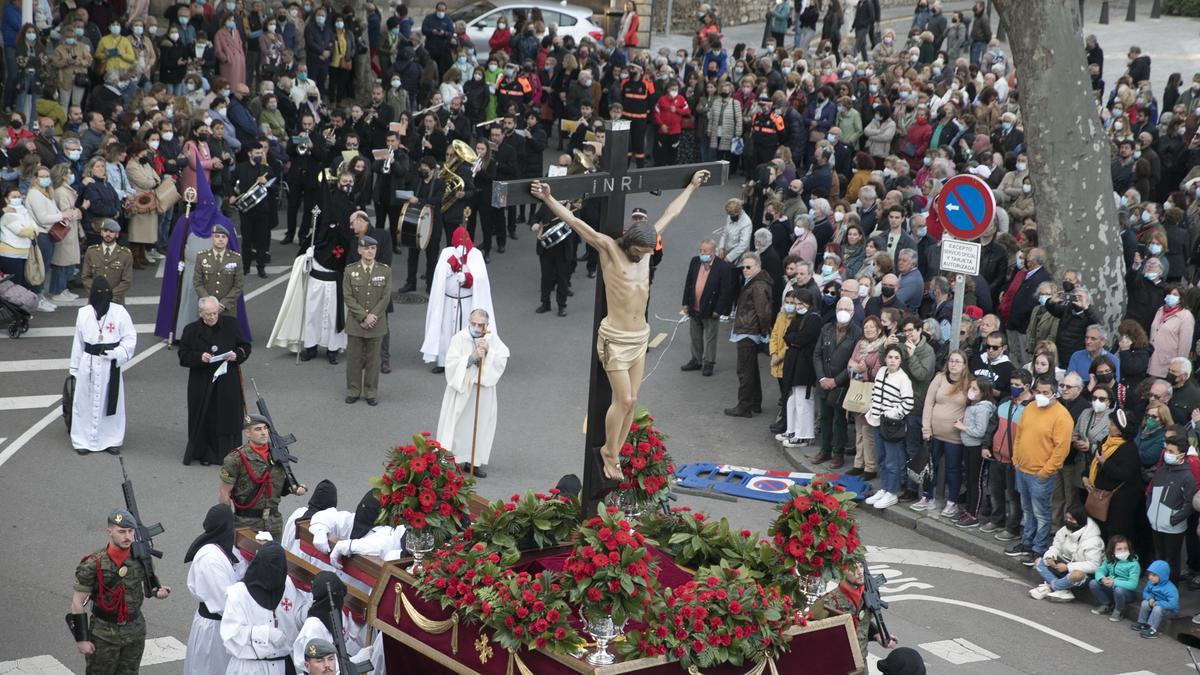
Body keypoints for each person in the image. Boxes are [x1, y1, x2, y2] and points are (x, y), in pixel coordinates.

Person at [529, 170, 710, 481]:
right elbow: (577, 225)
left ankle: (615, 452)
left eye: (648, 254)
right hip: (615, 337)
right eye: (641, 253)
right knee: (623, 399)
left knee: (632, 401)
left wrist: (692, 186)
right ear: (630, 244)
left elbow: (672, 212)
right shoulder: (611, 250)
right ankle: (608, 453)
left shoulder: (648, 243)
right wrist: (547, 198)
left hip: (640, 335)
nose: (644, 258)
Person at [68, 508, 171, 675]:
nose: (127, 536)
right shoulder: (93, 563)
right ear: (109, 531)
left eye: (130, 531)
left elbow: (149, 583)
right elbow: (76, 602)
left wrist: (158, 591)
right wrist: (82, 639)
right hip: (103, 635)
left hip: (134, 632)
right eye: (122, 531)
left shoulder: (141, 557)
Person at [1006, 375, 1074, 565]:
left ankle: (1038, 548)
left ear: (1054, 394)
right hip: (1022, 469)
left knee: (1041, 514)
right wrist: (1016, 459)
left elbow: (1061, 449)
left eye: (1046, 393)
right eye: (1038, 392)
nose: (1041, 396)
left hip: (1040, 474)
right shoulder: (1029, 408)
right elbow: (1019, 435)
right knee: (1027, 510)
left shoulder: (1062, 416)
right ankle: (1027, 543)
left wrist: (1045, 471)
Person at [437, 308, 510, 478]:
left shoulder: (491, 338)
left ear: (487, 324)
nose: (477, 328)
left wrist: (489, 352)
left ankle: (473, 462)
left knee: (480, 425)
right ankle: (451, 459)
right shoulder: (459, 338)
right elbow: (451, 363)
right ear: (469, 322)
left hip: (482, 390)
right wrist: (471, 358)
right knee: (457, 424)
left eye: (481, 324)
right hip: (463, 389)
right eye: (473, 323)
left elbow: (502, 357)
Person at [179, 296, 251, 466]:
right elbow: (183, 356)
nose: (212, 317)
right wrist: (199, 357)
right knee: (204, 416)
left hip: (227, 380)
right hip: (202, 381)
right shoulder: (191, 330)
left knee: (228, 416)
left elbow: (245, 346)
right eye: (208, 314)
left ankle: (229, 454)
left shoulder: (231, 324)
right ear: (200, 314)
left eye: (215, 313)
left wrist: (237, 355)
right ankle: (205, 454)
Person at [69, 278, 137, 455]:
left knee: (110, 401)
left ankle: (111, 439)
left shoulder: (119, 312)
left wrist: (119, 352)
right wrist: (74, 369)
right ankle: (82, 440)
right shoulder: (83, 313)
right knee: (84, 402)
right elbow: (78, 343)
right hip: (88, 363)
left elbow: (130, 337)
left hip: (110, 365)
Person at [220, 543, 310, 673]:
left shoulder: (287, 585)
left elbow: (297, 619)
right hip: (250, 668)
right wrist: (265, 634)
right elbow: (231, 634)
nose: (273, 574)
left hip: (282, 666)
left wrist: (312, 606)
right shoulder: (238, 594)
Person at [219, 414, 309, 541]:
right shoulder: (235, 458)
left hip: (274, 520)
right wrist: (226, 522)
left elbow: (281, 482)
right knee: (246, 560)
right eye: (258, 429)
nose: (263, 433)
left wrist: (293, 487)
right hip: (245, 522)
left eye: (265, 428)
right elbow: (224, 491)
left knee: (273, 558)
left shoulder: (277, 453)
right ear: (247, 433)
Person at [183, 504, 246, 675]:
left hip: (222, 627)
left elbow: (238, 570)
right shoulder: (209, 558)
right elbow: (223, 603)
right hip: (213, 629)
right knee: (209, 669)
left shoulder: (223, 548)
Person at [422, 227, 495, 373]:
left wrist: (467, 278)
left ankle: (468, 360)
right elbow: (439, 273)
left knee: (466, 333)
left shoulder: (475, 255)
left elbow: (480, 279)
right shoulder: (447, 252)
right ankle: (443, 361)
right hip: (448, 301)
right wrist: (451, 263)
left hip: (467, 302)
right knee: (445, 332)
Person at [917, 350, 969, 516]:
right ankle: (927, 497)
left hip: (955, 437)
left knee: (953, 469)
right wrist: (926, 428)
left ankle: (951, 502)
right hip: (934, 433)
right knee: (930, 466)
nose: (953, 364)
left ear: (964, 365)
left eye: (958, 362)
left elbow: (972, 406)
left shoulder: (969, 383)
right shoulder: (939, 378)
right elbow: (928, 403)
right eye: (951, 361)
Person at [812, 296, 862, 466]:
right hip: (824, 380)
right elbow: (817, 354)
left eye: (846, 309)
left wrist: (836, 380)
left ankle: (837, 453)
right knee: (824, 417)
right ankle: (824, 450)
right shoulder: (826, 328)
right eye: (840, 309)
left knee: (840, 419)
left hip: (842, 385)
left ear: (853, 312)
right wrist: (822, 377)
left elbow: (854, 362)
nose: (843, 312)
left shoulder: (857, 333)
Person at [342, 236, 391, 405]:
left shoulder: (385, 271)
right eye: (366, 248)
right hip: (356, 323)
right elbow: (347, 296)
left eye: (373, 248)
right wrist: (363, 316)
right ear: (359, 250)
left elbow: (385, 298)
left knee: (373, 360)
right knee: (354, 359)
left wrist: (372, 316)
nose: (370, 251)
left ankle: (371, 392)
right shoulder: (350, 270)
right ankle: (353, 390)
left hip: (376, 324)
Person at [726, 251, 775, 418]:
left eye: (748, 267)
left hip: (748, 331)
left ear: (757, 267)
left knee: (744, 370)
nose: (745, 270)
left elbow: (763, 312)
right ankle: (754, 403)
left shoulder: (758, 285)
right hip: (750, 330)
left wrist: (763, 332)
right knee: (751, 369)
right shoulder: (755, 282)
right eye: (743, 267)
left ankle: (744, 406)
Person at [866, 345, 915, 509]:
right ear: (885, 359)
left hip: (891, 425)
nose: (893, 360)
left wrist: (892, 413)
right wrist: (872, 409)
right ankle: (885, 487)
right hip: (876, 421)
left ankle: (892, 492)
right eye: (890, 357)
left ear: (901, 360)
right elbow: (875, 393)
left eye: (896, 358)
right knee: (880, 457)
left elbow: (908, 403)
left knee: (892, 460)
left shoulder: (903, 378)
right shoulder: (881, 372)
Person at [1084, 410, 1144, 540]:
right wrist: (1085, 477)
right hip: (1099, 497)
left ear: (1122, 429)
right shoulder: (1107, 440)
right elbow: (1093, 462)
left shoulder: (1129, 449)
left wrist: (1105, 463)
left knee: (1113, 535)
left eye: (1112, 424)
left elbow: (1124, 474)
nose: (1108, 426)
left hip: (1117, 505)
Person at [1145, 434, 1196, 581]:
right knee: (1158, 558)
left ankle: (1171, 590)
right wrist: (1150, 511)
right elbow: (1151, 493)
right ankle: (1157, 588)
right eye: (1166, 450)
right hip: (1155, 523)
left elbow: (1188, 504)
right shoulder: (1161, 471)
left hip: (1173, 527)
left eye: (1171, 451)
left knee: (1172, 561)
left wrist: (1173, 520)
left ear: (1181, 455)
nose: (1167, 454)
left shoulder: (1187, 477)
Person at [1029, 503, 1104, 602]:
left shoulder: (1094, 541)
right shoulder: (1064, 530)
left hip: (1082, 573)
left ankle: (1049, 588)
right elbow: (1055, 547)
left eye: (1072, 519)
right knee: (1039, 562)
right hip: (1062, 566)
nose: (1068, 521)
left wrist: (1068, 567)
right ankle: (1063, 589)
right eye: (1067, 518)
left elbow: (1094, 565)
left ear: (1080, 520)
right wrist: (1050, 557)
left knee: (1077, 575)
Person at [681, 238, 733, 376]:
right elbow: (689, 283)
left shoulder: (723, 267)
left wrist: (718, 310)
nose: (702, 253)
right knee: (695, 336)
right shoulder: (695, 261)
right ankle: (696, 360)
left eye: (705, 251)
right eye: (701, 250)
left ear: (713, 252)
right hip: (694, 306)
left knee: (710, 337)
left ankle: (709, 362)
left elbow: (725, 291)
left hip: (711, 309)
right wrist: (685, 303)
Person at [780, 289, 823, 447]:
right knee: (793, 399)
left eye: (800, 304)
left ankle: (803, 435)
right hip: (796, 363)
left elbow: (802, 339)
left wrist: (793, 340)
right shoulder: (800, 318)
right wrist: (793, 340)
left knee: (803, 400)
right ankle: (792, 430)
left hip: (805, 365)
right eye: (796, 303)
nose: (797, 307)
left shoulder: (814, 319)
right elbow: (787, 336)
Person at [191, 225, 244, 317]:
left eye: (224, 237)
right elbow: (197, 283)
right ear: (212, 238)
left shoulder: (236, 258)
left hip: (227, 308)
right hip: (206, 309)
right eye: (217, 236)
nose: (220, 239)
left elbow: (238, 285)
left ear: (227, 239)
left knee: (226, 331)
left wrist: (224, 303)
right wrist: (210, 303)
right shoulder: (202, 257)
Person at [1089, 535, 1142, 622]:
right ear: (1112, 551)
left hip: (1126, 592)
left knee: (1119, 590)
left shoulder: (1134, 564)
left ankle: (1119, 611)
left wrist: (1114, 582)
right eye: (1119, 549)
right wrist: (1102, 578)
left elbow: (1133, 584)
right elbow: (1100, 570)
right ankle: (1106, 604)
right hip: (1111, 587)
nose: (1123, 551)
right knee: (1093, 583)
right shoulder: (1109, 559)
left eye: (1125, 548)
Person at [81, 220, 134, 303]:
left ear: (117, 234)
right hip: (96, 299)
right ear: (101, 233)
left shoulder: (125, 254)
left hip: (116, 300)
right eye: (105, 231)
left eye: (112, 232)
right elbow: (85, 277)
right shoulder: (91, 251)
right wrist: (98, 292)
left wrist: (110, 294)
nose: (108, 234)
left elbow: (127, 281)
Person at [1130, 560, 1178, 639]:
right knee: (1145, 603)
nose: (1150, 577)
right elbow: (1145, 592)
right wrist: (1150, 598)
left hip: (1169, 610)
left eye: (1154, 575)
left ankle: (1152, 629)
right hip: (1155, 603)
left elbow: (1173, 604)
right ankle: (1142, 623)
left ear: (1162, 576)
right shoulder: (1151, 582)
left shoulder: (1170, 589)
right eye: (1150, 574)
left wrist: (1159, 603)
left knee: (1157, 609)